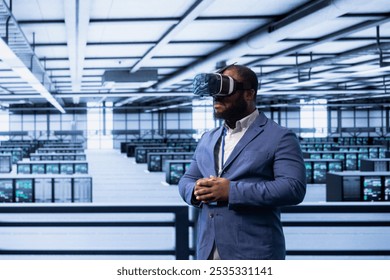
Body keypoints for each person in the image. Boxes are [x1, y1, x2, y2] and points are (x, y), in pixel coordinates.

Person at [178, 64, 306, 260]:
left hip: (254, 253)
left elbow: (293, 187)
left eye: (225, 90)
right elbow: (187, 178)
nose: (217, 98)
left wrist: (232, 191)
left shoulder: (280, 136)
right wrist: (194, 191)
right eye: (214, 92)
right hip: (208, 250)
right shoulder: (207, 138)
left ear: (249, 94)